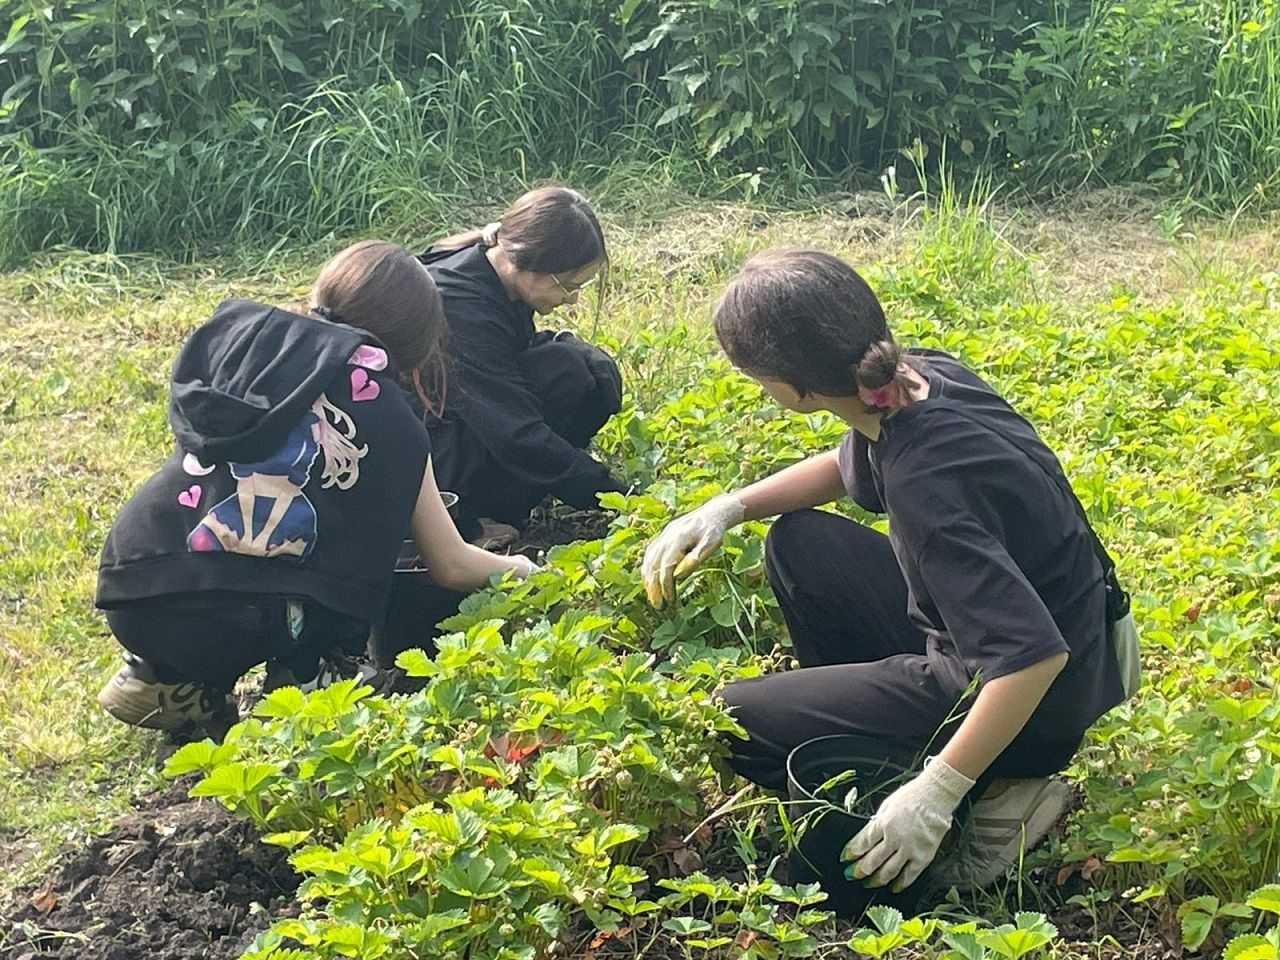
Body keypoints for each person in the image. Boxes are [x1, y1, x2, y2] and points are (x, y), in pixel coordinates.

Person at [641, 249, 1135, 893]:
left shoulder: (927, 485)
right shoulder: (915, 377)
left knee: (733, 719)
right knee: (800, 543)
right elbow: (849, 463)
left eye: (757, 378)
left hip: (1040, 699)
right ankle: (874, 735)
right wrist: (729, 508)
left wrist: (938, 792)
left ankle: (998, 791)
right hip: (1090, 638)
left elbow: (1031, 659)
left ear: (794, 388)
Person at [95, 241, 536, 740]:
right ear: (415, 339)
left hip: (132, 585)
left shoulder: (248, 353)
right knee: (340, 561)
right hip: (231, 617)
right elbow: (450, 564)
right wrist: (528, 571)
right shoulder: (387, 415)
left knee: (240, 543)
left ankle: (164, 677)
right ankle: (308, 676)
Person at [417, 186, 627, 546]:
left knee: (584, 371)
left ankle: (505, 502)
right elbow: (515, 433)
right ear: (529, 262)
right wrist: (621, 497)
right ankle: (464, 521)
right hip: (422, 460)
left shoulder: (493, 272)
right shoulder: (461, 306)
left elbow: (505, 359)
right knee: (567, 373)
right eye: (567, 285)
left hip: (460, 416)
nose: (572, 299)